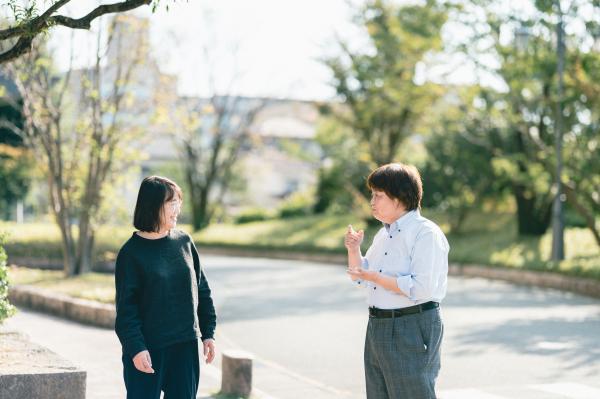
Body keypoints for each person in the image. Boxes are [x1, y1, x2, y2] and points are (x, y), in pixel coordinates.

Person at [345, 163, 449, 399]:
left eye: (378, 195)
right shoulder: (385, 234)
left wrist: (375, 277)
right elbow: (360, 276)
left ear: (399, 197)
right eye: (372, 194)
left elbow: (421, 288)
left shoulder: (425, 233)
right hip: (378, 325)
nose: (372, 201)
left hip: (411, 324)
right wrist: (354, 249)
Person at [114, 176, 217, 399]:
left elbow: (202, 290)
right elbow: (126, 312)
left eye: (178, 202)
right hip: (148, 349)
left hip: (185, 347)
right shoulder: (131, 254)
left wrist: (208, 333)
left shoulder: (184, 242)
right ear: (152, 206)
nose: (177, 209)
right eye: (171, 203)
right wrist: (136, 348)